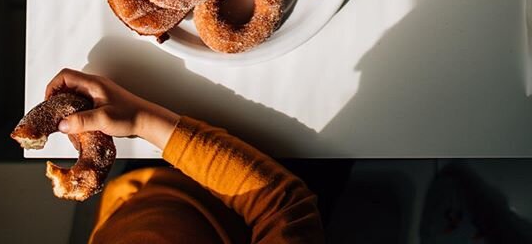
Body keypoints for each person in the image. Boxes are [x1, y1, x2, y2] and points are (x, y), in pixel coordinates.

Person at [46, 68, 324, 244]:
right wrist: (141, 120)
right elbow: (283, 206)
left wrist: (140, 120)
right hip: (249, 186)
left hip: (138, 187)